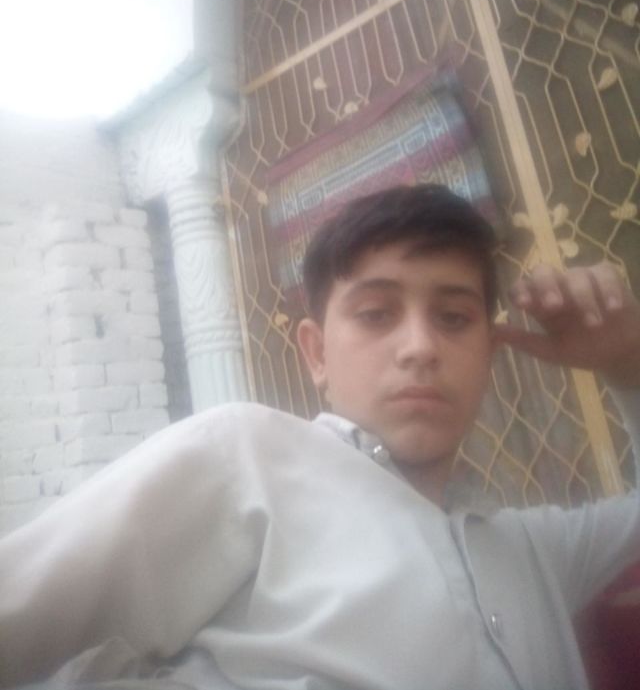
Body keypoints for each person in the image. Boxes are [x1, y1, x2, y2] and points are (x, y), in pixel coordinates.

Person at [0, 184, 639, 690]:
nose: (421, 347)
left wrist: (626, 364)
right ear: (316, 354)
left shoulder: (536, 551)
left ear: (488, 355)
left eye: (453, 317)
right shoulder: (247, 458)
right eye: (376, 313)